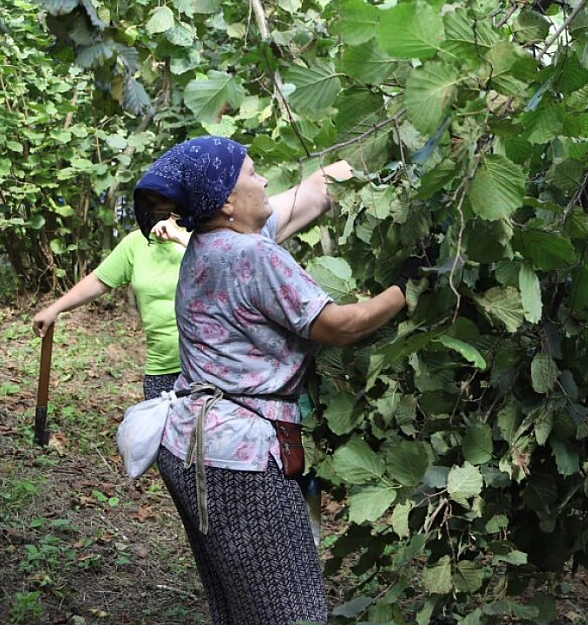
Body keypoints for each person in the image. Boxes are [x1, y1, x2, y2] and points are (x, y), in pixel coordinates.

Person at [131, 136, 416, 625]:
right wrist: (402, 291)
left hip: (194, 447)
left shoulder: (211, 241)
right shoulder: (253, 256)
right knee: (292, 614)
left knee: (241, 609)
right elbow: (339, 326)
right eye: (254, 173)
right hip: (239, 462)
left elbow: (313, 191)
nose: (264, 181)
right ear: (226, 199)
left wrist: (397, 143)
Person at [32, 218, 190, 400]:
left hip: (207, 365)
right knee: (160, 427)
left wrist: (179, 237)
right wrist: (55, 309)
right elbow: (100, 281)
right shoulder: (137, 242)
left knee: (204, 427)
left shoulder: (205, 236)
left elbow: (228, 268)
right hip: (161, 367)